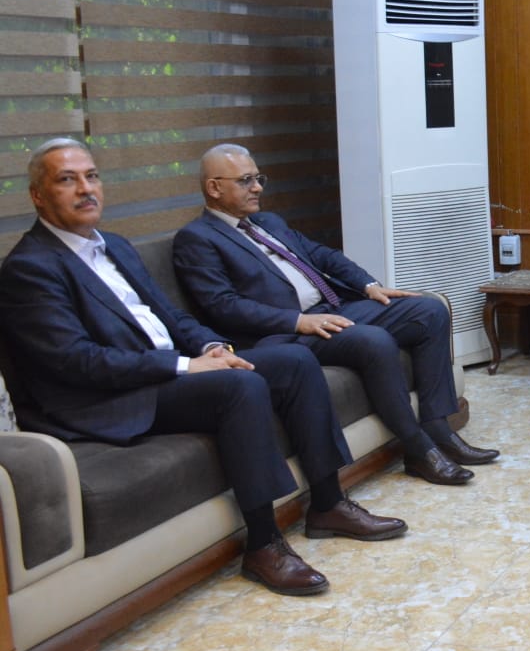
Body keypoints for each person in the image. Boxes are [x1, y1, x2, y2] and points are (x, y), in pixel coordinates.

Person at [0, 139, 407, 597]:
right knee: (238, 387)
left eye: (91, 176)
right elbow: (77, 362)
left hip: (163, 371)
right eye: (66, 180)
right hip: (111, 396)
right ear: (38, 195)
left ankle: (328, 504)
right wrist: (183, 366)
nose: (85, 189)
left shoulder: (114, 246)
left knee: (294, 360)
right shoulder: (30, 268)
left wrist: (212, 348)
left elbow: (171, 317)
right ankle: (264, 544)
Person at [172, 144, 496, 488]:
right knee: (373, 340)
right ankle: (418, 449)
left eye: (259, 178)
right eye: (246, 180)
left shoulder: (267, 222)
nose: (257, 188)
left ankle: (438, 428)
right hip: (286, 333)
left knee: (430, 310)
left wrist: (369, 286)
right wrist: (298, 321)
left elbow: (322, 255)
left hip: (334, 308)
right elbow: (223, 306)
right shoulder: (197, 239)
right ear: (214, 187)